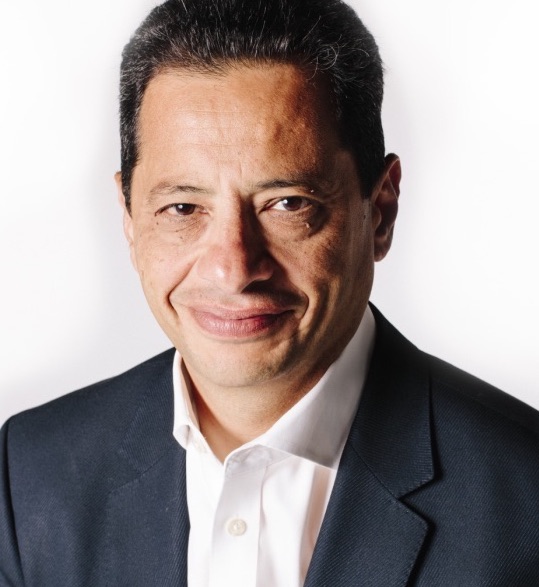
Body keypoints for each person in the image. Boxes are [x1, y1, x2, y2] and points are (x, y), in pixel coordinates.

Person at [1, 0, 538, 584]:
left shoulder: (525, 497)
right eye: (182, 208)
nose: (233, 270)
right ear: (129, 220)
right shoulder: (28, 477)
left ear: (380, 211)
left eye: (287, 204)